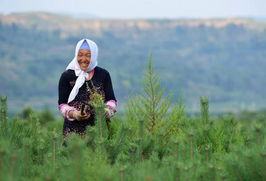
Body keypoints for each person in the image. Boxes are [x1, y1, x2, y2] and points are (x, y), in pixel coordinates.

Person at [58, 38, 117, 142]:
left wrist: (107, 111)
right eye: (80, 54)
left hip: (98, 134)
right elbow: (62, 105)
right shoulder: (67, 76)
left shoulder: (103, 75)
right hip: (72, 135)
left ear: (94, 55)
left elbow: (111, 100)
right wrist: (75, 114)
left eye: (88, 55)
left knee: (98, 157)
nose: (83, 59)